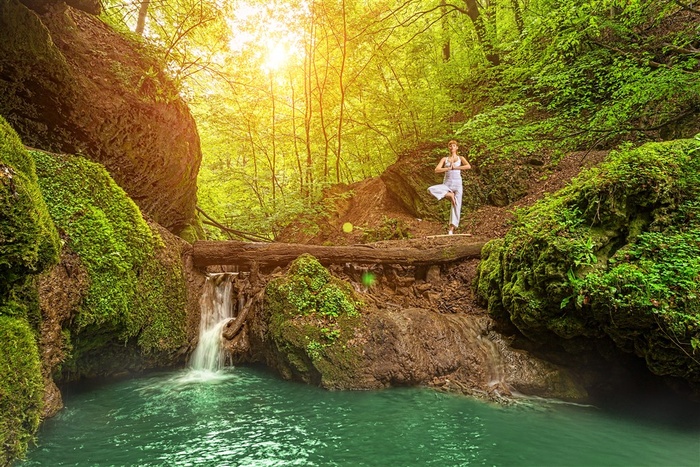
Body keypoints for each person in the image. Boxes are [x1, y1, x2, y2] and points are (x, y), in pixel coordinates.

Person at [427, 140, 471, 235]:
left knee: (456, 205)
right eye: (450, 146)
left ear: (457, 147)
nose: (452, 147)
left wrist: (456, 168)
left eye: (454, 146)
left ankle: (451, 229)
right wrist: (448, 168)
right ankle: (449, 195)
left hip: (458, 184)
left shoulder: (460, 158)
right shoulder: (445, 159)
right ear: (449, 148)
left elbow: (468, 166)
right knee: (430, 189)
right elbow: (437, 170)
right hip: (447, 184)